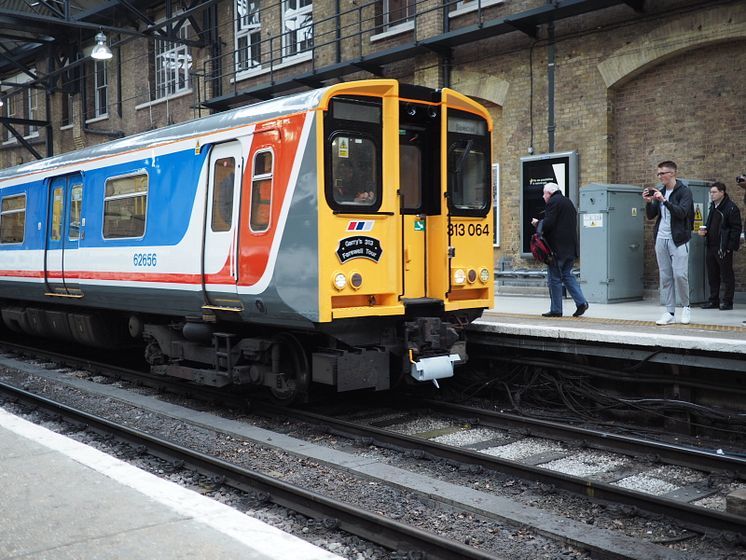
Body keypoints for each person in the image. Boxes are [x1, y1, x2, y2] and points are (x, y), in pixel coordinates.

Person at [643, 160, 694, 325]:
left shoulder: (684, 192)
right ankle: (669, 312)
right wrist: (650, 202)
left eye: (662, 173)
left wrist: (664, 200)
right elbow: (651, 216)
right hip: (661, 238)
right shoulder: (661, 191)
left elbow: (682, 213)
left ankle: (686, 306)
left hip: (679, 239)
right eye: (658, 174)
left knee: (680, 275)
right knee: (665, 277)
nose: (660, 176)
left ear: (672, 173)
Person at [531, 183, 589, 318]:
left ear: (550, 193)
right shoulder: (568, 202)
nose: (543, 196)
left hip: (557, 250)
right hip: (570, 248)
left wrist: (538, 223)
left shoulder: (553, 203)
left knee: (554, 279)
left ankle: (556, 309)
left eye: (544, 193)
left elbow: (549, 223)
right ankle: (581, 302)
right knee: (567, 275)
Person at [699, 182, 741, 310]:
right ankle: (713, 300)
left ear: (722, 192)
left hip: (723, 247)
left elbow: (736, 229)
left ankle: (728, 302)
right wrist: (704, 232)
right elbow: (710, 224)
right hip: (711, 246)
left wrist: (729, 247)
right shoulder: (713, 206)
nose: (711, 195)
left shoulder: (731, 208)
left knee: (727, 275)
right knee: (712, 274)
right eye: (711, 192)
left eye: (714, 192)